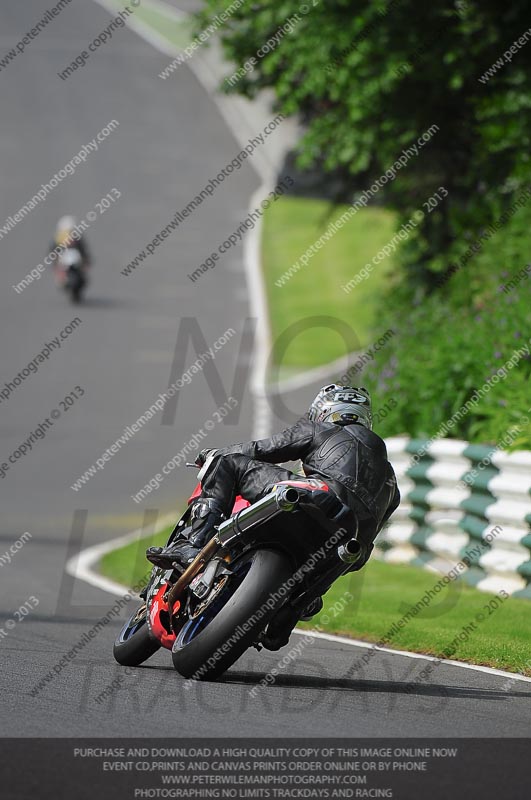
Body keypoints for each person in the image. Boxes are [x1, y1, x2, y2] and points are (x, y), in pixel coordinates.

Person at [148, 385, 400, 587]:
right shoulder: (391, 478)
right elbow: (373, 532)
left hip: (315, 499)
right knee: (345, 559)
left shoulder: (320, 430)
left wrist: (214, 454)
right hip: (346, 542)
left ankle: (192, 546)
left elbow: (261, 450)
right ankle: (298, 603)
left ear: (324, 411)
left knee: (228, 463)